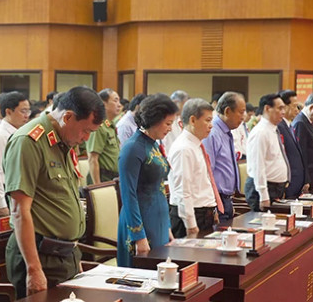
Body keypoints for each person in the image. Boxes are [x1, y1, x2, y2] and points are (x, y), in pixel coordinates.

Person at [3, 86, 105, 298]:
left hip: (64, 255)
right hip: (41, 257)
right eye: (85, 130)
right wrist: (34, 269)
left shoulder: (63, 140)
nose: (86, 138)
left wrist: (74, 258)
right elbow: (20, 210)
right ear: (67, 117)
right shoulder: (29, 142)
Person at [117, 93, 176, 267]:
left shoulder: (154, 144)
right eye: (168, 123)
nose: (170, 128)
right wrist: (138, 236)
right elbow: (128, 195)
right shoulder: (133, 148)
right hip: (138, 222)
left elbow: (159, 187)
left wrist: (166, 226)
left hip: (157, 219)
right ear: (154, 120)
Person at [168, 98, 221, 237]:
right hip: (191, 216)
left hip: (203, 213)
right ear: (192, 120)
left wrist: (213, 210)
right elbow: (183, 191)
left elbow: (203, 182)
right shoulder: (184, 148)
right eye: (208, 120)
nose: (211, 125)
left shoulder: (196, 144)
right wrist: (191, 225)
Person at [203, 92, 245, 223]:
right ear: (227, 111)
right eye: (241, 112)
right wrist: (214, 207)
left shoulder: (226, 132)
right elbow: (208, 173)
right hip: (217, 201)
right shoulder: (213, 133)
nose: (243, 117)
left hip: (227, 199)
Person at [0, 91, 30, 217]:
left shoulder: (20, 132)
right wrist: (1, 205)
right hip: (5, 195)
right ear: (8, 111)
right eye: (23, 111)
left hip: (20, 192)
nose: (27, 116)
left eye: (28, 111)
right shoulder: (0, 136)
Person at [244, 93, 289, 211]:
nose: (283, 112)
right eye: (280, 108)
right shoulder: (261, 132)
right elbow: (258, 166)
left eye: (284, 108)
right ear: (267, 108)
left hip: (276, 188)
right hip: (264, 189)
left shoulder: (273, 130)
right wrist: (263, 195)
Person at [277, 90, 309, 199]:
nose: (297, 110)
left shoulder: (289, 126)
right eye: (295, 106)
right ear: (284, 107)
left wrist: (305, 179)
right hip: (288, 184)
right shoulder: (279, 127)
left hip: (297, 182)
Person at [87, 88, 123, 183]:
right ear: (104, 103)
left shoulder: (110, 126)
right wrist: (98, 187)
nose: (119, 105)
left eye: (119, 101)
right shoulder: (99, 127)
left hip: (114, 178)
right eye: (115, 100)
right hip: (103, 179)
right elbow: (92, 158)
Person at [161, 90, 189, 154]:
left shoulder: (179, 119)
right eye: (184, 105)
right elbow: (163, 142)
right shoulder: (165, 119)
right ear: (176, 102)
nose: (185, 109)